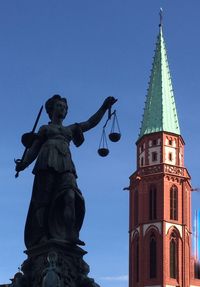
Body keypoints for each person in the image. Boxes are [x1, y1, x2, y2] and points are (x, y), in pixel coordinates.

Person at [15, 95, 117, 249]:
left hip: (65, 164)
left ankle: (70, 233)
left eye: (64, 107)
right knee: (43, 201)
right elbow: (33, 150)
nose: (62, 109)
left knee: (71, 195)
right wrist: (23, 164)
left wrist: (103, 107)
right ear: (51, 110)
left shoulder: (70, 129)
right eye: (59, 106)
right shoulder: (45, 129)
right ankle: (41, 235)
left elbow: (91, 123)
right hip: (46, 163)